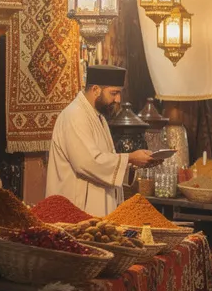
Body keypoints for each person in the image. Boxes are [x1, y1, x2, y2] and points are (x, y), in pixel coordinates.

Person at [46, 64, 153, 215]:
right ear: (96, 89)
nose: (118, 99)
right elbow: (88, 162)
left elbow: (106, 158)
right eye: (114, 93)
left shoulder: (98, 116)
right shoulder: (75, 115)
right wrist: (130, 157)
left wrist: (132, 164)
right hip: (77, 210)